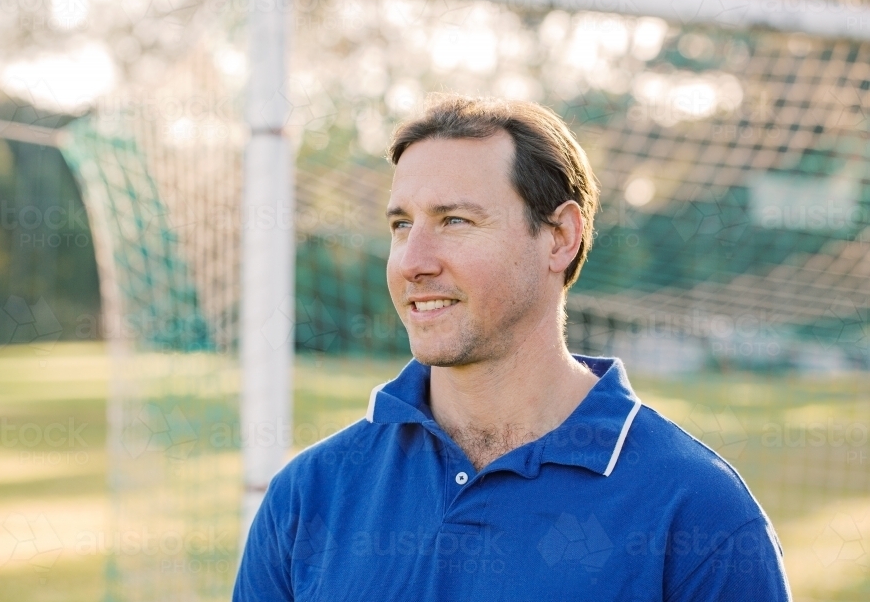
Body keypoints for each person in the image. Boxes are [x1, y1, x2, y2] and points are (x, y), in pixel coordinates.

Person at [233, 95, 791, 600]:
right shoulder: (309, 495)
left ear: (559, 238)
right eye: (401, 225)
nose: (413, 261)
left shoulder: (698, 512)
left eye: (454, 220)